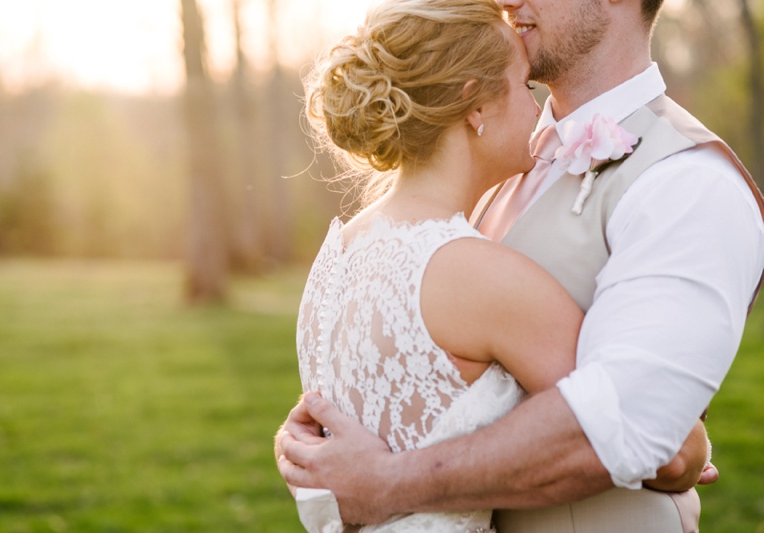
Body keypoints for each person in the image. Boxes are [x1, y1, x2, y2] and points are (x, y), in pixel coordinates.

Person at [277, 0, 764, 531]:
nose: (508, 0)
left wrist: (384, 482)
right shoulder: (494, 169)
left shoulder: (686, 183)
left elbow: (636, 426)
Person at [291, 1, 587, 530]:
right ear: (475, 105)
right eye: (525, 88)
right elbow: (643, 426)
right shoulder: (475, 274)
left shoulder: (338, 252)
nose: (537, 111)